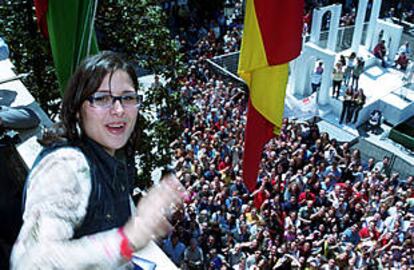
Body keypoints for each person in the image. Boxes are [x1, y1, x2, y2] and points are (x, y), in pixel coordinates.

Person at [10, 51, 184, 269]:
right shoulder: (66, 166)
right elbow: (31, 261)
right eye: (102, 98)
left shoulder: (112, 155)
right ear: (77, 109)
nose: (119, 110)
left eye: (128, 97)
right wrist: (129, 238)